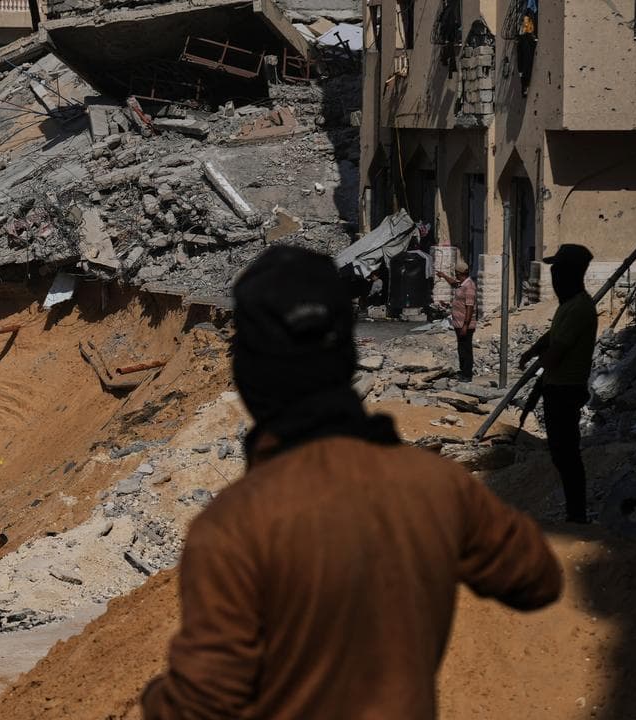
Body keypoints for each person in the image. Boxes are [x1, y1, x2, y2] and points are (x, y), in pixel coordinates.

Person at [141, 245, 562, 720]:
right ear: (347, 355)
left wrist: (155, 700)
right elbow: (536, 579)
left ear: (250, 375)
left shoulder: (234, 527)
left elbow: (199, 706)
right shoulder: (436, 484)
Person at [519, 243, 596, 523]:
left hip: (566, 390)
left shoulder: (579, 308)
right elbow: (553, 336)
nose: (553, 278)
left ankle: (577, 516)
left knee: (567, 455)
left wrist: (541, 364)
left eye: (558, 271)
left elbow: (556, 352)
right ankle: (574, 511)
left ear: (571, 274)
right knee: (561, 454)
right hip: (556, 387)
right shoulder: (568, 306)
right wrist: (531, 352)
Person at [438, 260, 477, 381]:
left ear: (460, 273)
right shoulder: (462, 284)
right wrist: (444, 276)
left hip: (465, 325)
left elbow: (469, 307)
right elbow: (454, 284)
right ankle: (462, 371)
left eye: (456, 273)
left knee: (466, 349)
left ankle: (467, 374)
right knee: (461, 348)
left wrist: (465, 325)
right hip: (458, 323)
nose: (455, 275)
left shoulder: (469, 286)